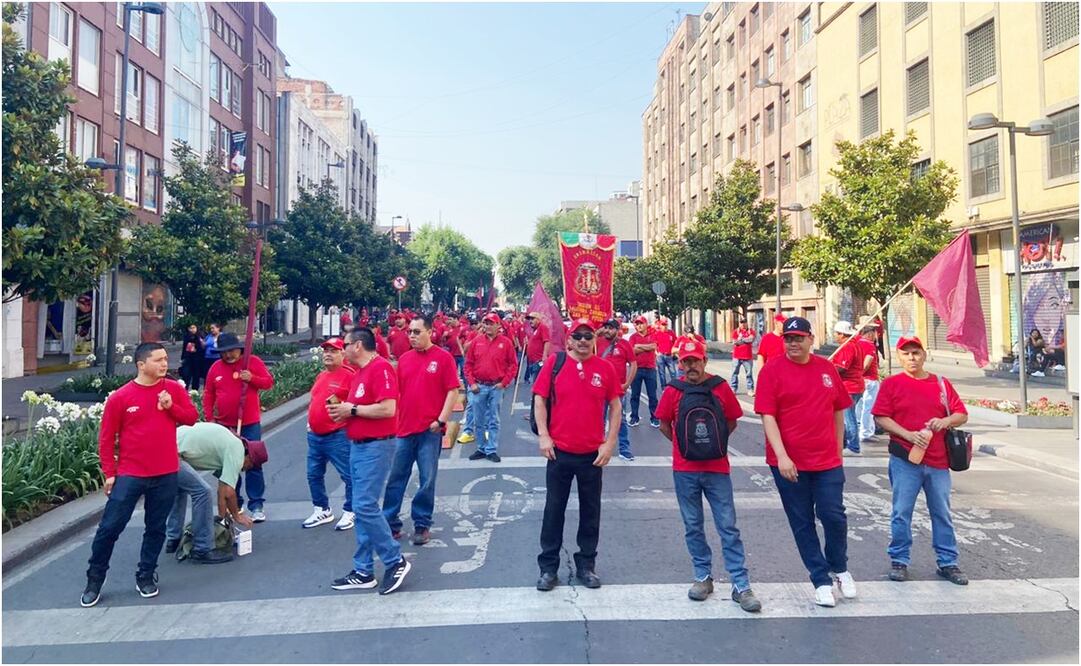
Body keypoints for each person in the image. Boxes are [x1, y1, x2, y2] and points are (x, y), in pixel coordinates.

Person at [81, 342, 199, 608]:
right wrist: (110, 473)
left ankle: (146, 574)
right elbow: (106, 439)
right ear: (141, 364)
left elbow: (192, 418)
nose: (164, 364)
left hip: (166, 472)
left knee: (155, 528)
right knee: (109, 528)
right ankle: (94, 579)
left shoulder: (173, 389)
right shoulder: (121, 397)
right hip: (130, 474)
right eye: (158, 360)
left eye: (165, 359)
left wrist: (171, 407)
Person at [754, 316, 857, 608]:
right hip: (788, 463)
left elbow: (839, 410)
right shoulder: (772, 371)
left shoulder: (826, 369)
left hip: (826, 461)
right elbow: (767, 416)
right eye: (788, 338)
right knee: (802, 522)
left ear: (811, 339)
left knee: (834, 515)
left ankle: (839, 567)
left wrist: (838, 451)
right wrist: (782, 456)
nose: (793, 343)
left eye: (799, 337)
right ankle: (820, 579)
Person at [656, 339, 761, 612]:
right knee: (693, 526)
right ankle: (702, 576)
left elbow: (732, 421)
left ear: (704, 361)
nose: (691, 365)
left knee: (728, 527)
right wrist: (684, 446)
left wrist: (713, 444)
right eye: (686, 361)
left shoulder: (720, 387)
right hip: (685, 470)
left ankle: (741, 584)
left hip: (717, 469)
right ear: (680, 364)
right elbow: (664, 424)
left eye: (695, 360)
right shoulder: (673, 390)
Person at [873, 336, 970, 586]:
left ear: (924, 355)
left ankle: (948, 562)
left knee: (942, 513)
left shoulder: (940, 384)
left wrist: (945, 421)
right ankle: (900, 560)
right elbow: (881, 417)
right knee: (901, 513)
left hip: (938, 461)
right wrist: (907, 435)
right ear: (899, 357)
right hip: (905, 459)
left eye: (916, 352)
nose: (912, 358)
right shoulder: (892, 384)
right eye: (906, 354)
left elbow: (961, 414)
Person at [533, 318, 621, 592]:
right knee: (553, 511)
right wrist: (544, 436)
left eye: (588, 336)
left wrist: (609, 444)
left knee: (590, 512)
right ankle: (549, 569)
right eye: (578, 336)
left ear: (594, 339)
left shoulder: (605, 368)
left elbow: (616, 407)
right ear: (569, 340)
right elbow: (539, 399)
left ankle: (586, 565)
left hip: (591, 455)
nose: (583, 341)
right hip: (559, 453)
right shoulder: (555, 364)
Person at [325, 327, 413, 595]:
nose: (343, 350)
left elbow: (388, 408)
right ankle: (363, 569)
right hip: (359, 445)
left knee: (364, 506)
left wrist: (350, 409)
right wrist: (344, 413)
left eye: (346, 344)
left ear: (358, 346)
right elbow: (361, 409)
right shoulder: (360, 373)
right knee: (362, 507)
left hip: (376, 446)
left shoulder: (381, 369)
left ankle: (394, 560)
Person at [383, 315, 460, 545]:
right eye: (410, 332)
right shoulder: (404, 360)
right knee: (396, 478)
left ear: (430, 332)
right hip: (404, 430)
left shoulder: (443, 358)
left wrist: (441, 419)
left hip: (430, 431)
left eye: (417, 332)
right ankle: (390, 522)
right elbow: (396, 393)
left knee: (427, 480)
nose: (412, 336)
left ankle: (422, 524)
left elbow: (452, 391)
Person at [165, 422, 262, 563]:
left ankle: (173, 539)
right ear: (249, 458)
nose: (244, 470)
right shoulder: (237, 451)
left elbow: (222, 490)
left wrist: (222, 524)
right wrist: (236, 516)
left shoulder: (230, 443)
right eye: (248, 467)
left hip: (167, 444)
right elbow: (229, 492)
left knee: (179, 489)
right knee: (202, 492)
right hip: (172, 452)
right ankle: (202, 548)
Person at [203, 332, 274, 522]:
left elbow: (268, 383)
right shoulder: (215, 368)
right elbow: (209, 394)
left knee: (253, 463)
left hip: (249, 423)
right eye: (224, 352)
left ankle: (257, 504)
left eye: (232, 351)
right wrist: (210, 418)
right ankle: (237, 502)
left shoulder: (252, 362)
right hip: (225, 425)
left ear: (239, 349)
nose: (228, 355)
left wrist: (251, 378)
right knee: (230, 465)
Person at [302, 338, 356, 531]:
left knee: (348, 475)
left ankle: (351, 510)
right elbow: (314, 399)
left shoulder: (350, 376)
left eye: (333, 351)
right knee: (313, 474)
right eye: (325, 351)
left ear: (343, 354)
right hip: (315, 436)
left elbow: (356, 405)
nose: (328, 354)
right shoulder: (321, 375)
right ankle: (322, 509)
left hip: (337, 435)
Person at [461, 313, 518, 462]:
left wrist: (504, 383)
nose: (487, 326)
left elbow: (513, 365)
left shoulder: (506, 343)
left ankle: (491, 449)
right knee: (478, 420)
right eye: (485, 323)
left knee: (494, 419)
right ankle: (481, 448)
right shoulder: (476, 341)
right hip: (479, 387)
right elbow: (468, 364)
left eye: (490, 323)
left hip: (496, 387)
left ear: (498, 326)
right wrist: (472, 383)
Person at [597, 319, 636, 461]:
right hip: (599, 388)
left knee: (620, 419)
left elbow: (633, 364)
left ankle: (624, 449)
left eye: (610, 328)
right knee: (598, 419)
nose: (607, 330)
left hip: (618, 390)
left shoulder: (625, 344)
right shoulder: (597, 342)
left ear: (617, 329)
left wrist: (627, 383)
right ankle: (598, 447)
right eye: (605, 327)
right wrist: (597, 333)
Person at [831, 321, 865, 455]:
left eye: (836, 333)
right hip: (854, 386)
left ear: (842, 334)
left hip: (850, 387)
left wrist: (828, 369)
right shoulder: (853, 345)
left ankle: (854, 446)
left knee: (848, 418)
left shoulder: (848, 347)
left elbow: (841, 368)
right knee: (847, 417)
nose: (834, 336)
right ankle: (845, 443)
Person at [628, 316, 660, 428]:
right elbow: (633, 351)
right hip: (636, 369)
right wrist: (646, 347)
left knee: (652, 396)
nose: (639, 326)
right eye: (637, 324)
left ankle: (655, 418)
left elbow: (653, 346)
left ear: (646, 324)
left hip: (650, 369)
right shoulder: (633, 337)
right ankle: (634, 417)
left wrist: (639, 346)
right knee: (634, 395)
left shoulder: (652, 336)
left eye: (641, 323)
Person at [855, 318, 881, 443]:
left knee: (859, 407)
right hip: (869, 380)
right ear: (870, 333)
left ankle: (860, 430)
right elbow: (866, 364)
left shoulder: (856, 343)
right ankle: (866, 432)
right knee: (868, 407)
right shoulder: (869, 345)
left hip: (859, 380)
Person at [730, 319, 756, 397]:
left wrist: (741, 340)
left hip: (747, 356)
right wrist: (744, 340)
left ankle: (750, 389)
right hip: (736, 356)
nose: (743, 325)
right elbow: (735, 342)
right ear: (739, 324)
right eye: (741, 323)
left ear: (747, 323)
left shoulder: (751, 331)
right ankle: (733, 388)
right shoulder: (735, 331)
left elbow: (751, 339)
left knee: (749, 374)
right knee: (734, 373)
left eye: (744, 323)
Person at [523, 312, 551, 384]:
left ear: (538, 319)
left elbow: (547, 341)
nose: (530, 321)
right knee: (535, 382)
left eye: (532, 319)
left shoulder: (542, 327)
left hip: (539, 361)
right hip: (533, 361)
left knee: (537, 383)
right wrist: (528, 342)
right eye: (529, 319)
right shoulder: (535, 330)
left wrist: (544, 356)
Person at [653, 317, 678, 388]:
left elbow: (675, 342)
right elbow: (655, 344)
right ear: (660, 325)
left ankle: (675, 386)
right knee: (662, 373)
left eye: (665, 324)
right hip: (660, 355)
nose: (664, 326)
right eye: (663, 325)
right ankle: (663, 387)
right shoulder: (657, 333)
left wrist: (674, 352)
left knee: (673, 373)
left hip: (669, 355)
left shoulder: (671, 333)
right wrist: (656, 353)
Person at [180, 324, 204, 391]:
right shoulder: (186, 336)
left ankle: (194, 392)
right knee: (186, 375)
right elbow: (184, 348)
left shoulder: (200, 336)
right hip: (188, 359)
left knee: (196, 376)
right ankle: (185, 390)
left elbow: (202, 348)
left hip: (197, 359)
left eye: (194, 328)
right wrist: (182, 358)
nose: (192, 329)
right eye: (191, 328)